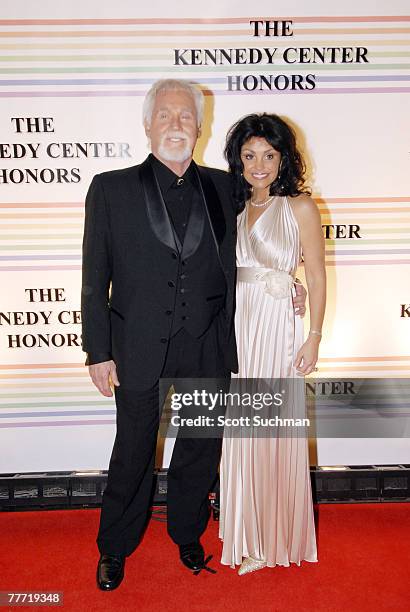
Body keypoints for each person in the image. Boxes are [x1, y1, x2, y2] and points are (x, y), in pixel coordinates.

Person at [82, 80, 306, 589]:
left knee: (200, 447)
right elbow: (94, 278)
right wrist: (98, 350)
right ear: (147, 125)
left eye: (186, 116)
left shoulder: (225, 186)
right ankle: (114, 547)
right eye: (165, 115)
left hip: (207, 342)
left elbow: (261, 243)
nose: (176, 124)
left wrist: (291, 284)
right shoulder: (110, 188)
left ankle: (187, 533)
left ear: (200, 128)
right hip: (136, 343)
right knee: (133, 450)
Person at [218, 113, 326, 575]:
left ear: (283, 158)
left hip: (278, 329)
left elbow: (316, 274)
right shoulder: (233, 207)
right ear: (237, 160)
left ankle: (273, 538)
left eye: (268, 154)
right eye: (248, 155)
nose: (258, 165)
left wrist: (314, 336)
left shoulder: (299, 206)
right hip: (238, 328)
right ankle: (246, 532)